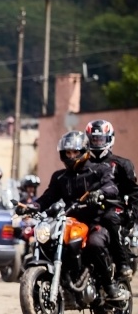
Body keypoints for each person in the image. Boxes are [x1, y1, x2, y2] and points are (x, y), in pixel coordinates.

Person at [25, 130, 124, 299]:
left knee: (95, 243)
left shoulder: (99, 170)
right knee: (49, 240)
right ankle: (66, 278)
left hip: (95, 221)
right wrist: (30, 207)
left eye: (75, 152)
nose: (71, 156)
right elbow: (47, 197)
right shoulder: (60, 177)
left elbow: (112, 187)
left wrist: (99, 193)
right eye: (68, 152)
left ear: (84, 151)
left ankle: (109, 286)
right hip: (70, 221)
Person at [85, 119, 138, 279]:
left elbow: (135, 193)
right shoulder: (82, 164)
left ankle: (122, 264)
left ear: (109, 139)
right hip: (88, 209)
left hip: (114, 209)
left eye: (100, 139)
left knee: (110, 217)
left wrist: (132, 216)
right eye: (94, 139)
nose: (97, 142)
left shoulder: (121, 164)